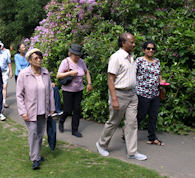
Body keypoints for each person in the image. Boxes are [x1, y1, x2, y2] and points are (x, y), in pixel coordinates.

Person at [96, 33, 147, 161]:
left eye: (134, 42)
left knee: (132, 123)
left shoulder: (131, 56)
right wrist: (114, 99)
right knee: (113, 122)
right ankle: (101, 145)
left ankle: (132, 152)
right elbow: (110, 80)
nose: (134, 44)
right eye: (132, 42)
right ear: (123, 43)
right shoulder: (116, 57)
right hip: (119, 94)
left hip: (132, 94)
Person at [16, 48, 55, 170]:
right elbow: (19, 94)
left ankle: (35, 154)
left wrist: (52, 107)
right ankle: (35, 159)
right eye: (36, 58)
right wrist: (23, 111)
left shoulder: (45, 72)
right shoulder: (24, 74)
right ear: (30, 60)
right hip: (30, 111)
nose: (39, 60)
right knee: (33, 133)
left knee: (39, 133)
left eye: (40, 58)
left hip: (43, 110)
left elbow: (50, 91)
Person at [57, 44, 92, 138]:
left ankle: (74, 130)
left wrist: (89, 83)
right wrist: (70, 73)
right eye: (75, 55)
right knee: (68, 110)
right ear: (71, 53)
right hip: (68, 90)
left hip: (79, 89)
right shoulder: (65, 62)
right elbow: (58, 75)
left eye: (79, 55)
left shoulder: (81, 62)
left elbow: (86, 71)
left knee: (77, 110)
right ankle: (61, 120)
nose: (77, 57)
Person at [135, 41, 166, 145]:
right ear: (144, 50)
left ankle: (152, 138)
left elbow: (159, 74)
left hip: (155, 93)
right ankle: (127, 133)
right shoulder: (139, 61)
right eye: (148, 48)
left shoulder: (157, 61)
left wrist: (161, 81)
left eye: (153, 49)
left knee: (153, 116)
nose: (151, 50)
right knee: (141, 115)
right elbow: (132, 74)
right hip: (142, 93)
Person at [0, 40, 13, 108]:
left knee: (4, 87)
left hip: (4, 72)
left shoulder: (5, 53)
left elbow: (9, 63)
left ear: (1, 46)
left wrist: (11, 71)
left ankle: (4, 102)